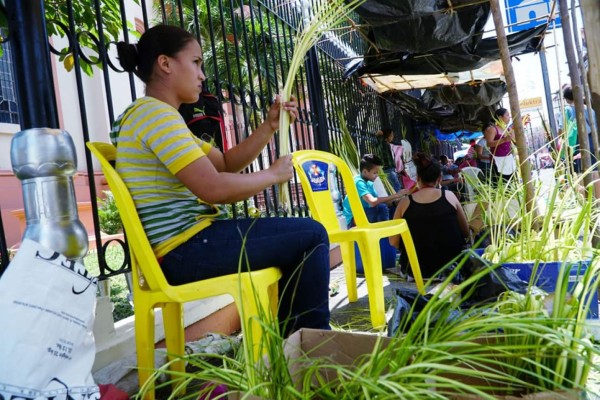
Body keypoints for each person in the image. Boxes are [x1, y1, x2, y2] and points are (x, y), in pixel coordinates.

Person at [112, 25, 330, 336]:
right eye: (196, 63)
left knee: (301, 237)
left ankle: (296, 345)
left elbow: (226, 163)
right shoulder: (155, 116)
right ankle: (311, 350)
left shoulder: (152, 116)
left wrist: (269, 126)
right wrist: (272, 175)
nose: (203, 75)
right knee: (310, 235)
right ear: (165, 64)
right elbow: (213, 188)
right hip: (185, 249)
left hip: (186, 246)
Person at [390, 152, 469, 279]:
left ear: (418, 179)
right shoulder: (450, 196)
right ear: (439, 178)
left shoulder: (404, 203)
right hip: (453, 269)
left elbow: (393, 241)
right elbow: (466, 233)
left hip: (415, 272)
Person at [342, 154, 405, 228]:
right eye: (375, 173)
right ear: (365, 171)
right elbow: (373, 202)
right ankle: (385, 237)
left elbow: (379, 201)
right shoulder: (358, 182)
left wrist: (396, 202)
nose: (377, 175)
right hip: (353, 220)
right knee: (382, 208)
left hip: (364, 213)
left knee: (394, 208)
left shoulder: (369, 183)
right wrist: (396, 195)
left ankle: (394, 235)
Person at [562, 86, 597, 172]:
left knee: (579, 168)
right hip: (591, 139)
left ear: (567, 99)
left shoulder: (567, 110)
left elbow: (564, 128)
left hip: (576, 141)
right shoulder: (587, 108)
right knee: (594, 167)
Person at [484, 108, 516, 181]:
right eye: (507, 115)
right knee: (501, 182)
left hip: (508, 160)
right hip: (497, 161)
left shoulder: (508, 129)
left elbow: (514, 141)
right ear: (500, 117)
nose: (509, 117)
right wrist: (504, 140)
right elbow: (489, 144)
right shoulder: (493, 129)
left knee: (511, 182)